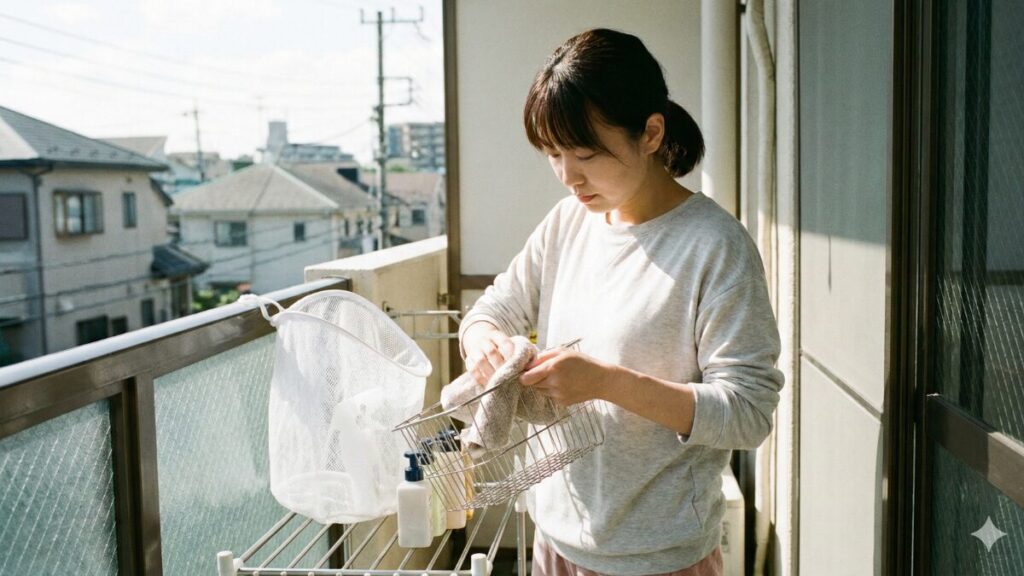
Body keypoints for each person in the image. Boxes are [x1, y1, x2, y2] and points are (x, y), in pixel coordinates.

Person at [457, 28, 783, 576]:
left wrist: (607, 383)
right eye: (553, 154)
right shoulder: (568, 222)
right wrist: (483, 342)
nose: (568, 176)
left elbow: (748, 414)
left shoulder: (715, 245)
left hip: (660, 558)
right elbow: (492, 309)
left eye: (585, 154)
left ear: (651, 133)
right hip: (554, 541)